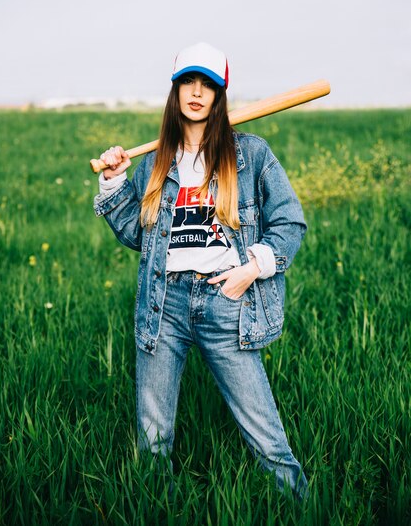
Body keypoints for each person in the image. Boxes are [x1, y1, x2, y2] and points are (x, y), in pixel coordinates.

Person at [93, 42, 308, 500]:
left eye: (207, 85)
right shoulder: (154, 162)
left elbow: (290, 222)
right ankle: (157, 508)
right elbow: (139, 235)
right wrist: (114, 183)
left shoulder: (250, 154)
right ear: (175, 92)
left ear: (219, 95)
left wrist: (250, 269)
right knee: (152, 443)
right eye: (188, 82)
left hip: (225, 301)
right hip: (163, 304)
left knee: (267, 439)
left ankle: (302, 506)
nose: (196, 92)